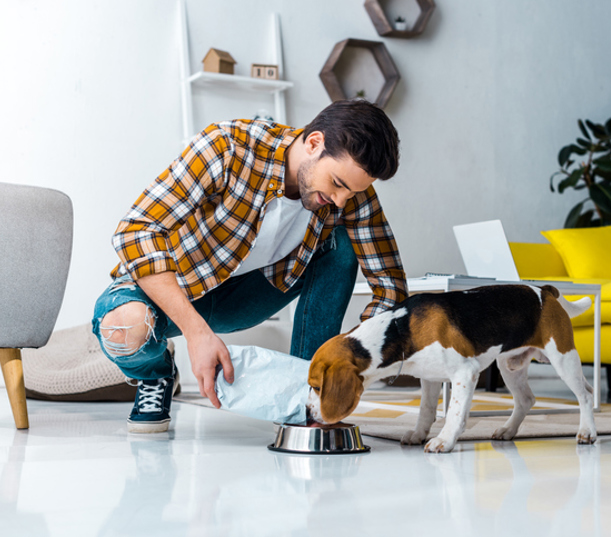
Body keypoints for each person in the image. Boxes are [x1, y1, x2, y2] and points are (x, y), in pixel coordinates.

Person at [91, 100, 408, 433]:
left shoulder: (349, 195)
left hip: (248, 296)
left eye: (353, 191)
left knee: (340, 245)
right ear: (314, 143)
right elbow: (136, 231)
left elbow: (389, 285)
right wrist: (196, 333)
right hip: (177, 289)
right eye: (338, 184)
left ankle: (309, 395)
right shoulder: (226, 147)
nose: (342, 200)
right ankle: (156, 374)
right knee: (122, 329)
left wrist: (356, 357)